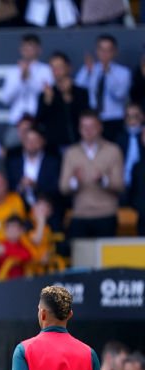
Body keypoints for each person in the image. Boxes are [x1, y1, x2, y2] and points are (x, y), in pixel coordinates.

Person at [60, 110, 125, 243]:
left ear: (100, 127)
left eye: (92, 127)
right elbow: (63, 187)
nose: (88, 131)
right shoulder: (71, 153)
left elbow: (120, 185)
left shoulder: (113, 150)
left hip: (106, 214)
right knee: (81, 260)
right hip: (80, 214)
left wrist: (104, 180)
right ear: (79, 129)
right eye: (84, 127)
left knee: (106, 261)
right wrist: (75, 181)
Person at [74, 35, 132, 141]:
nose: (104, 53)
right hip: (92, 118)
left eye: (108, 50)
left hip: (114, 119)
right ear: (96, 51)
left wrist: (108, 73)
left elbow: (119, 95)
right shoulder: (91, 68)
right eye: (101, 49)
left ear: (115, 52)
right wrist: (87, 71)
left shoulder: (123, 72)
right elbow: (77, 87)